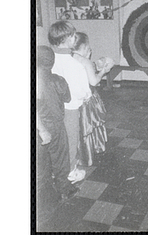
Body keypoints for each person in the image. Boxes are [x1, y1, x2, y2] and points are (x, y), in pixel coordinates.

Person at [48, 21, 90, 184]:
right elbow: (82, 91)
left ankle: (56, 168)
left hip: (53, 108)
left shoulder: (50, 58)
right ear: (67, 39)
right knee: (71, 139)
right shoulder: (74, 64)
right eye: (73, 35)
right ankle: (71, 172)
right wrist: (87, 96)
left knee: (57, 140)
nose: (75, 37)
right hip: (71, 108)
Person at [37, 45, 79, 201]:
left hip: (39, 125)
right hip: (54, 124)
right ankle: (64, 189)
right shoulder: (58, 80)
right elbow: (67, 98)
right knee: (61, 158)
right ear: (52, 62)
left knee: (42, 159)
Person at [71, 32, 112, 166]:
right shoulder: (85, 61)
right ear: (84, 46)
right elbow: (93, 82)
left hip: (71, 99)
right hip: (86, 99)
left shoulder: (69, 57)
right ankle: (92, 150)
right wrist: (103, 71)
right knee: (89, 126)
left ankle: (75, 154)